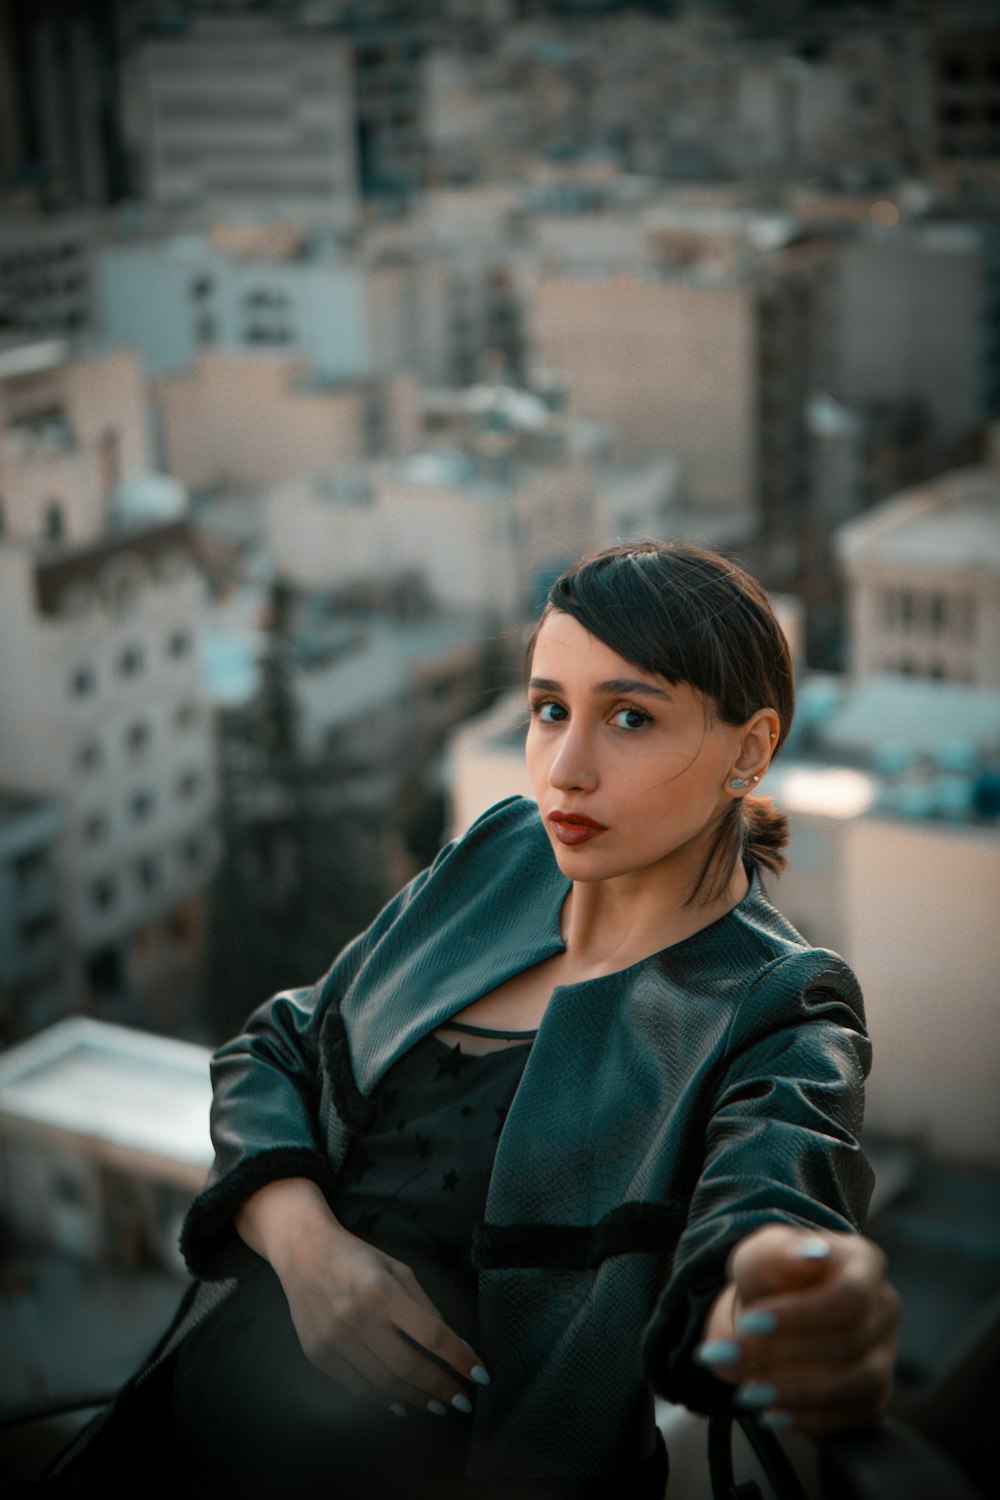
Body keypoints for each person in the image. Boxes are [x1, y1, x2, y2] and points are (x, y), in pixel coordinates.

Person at [46, 542, 899, 1500]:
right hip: (180, 1437)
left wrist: (794, 1297)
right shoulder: (500, 854)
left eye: (629, 716)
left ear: (750, 749)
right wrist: (308, 1250)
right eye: (549, 710)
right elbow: (274, 1048)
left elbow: (768, 1213)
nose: (566, 770)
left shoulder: (780, 1005)